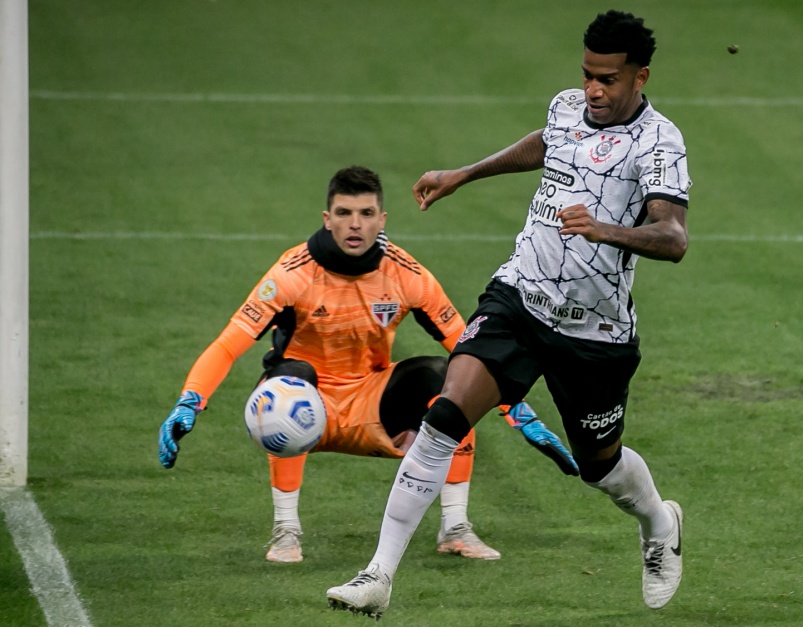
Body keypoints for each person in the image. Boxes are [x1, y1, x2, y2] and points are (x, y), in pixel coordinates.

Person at [327, 10, 692, 618]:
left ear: (640, 77)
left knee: (599, 467)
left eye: (608, 80)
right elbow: (547, 144)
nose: (593, 91)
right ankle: (377, 576)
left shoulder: (660, 142)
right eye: (586, 76)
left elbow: (673, 237)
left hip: (593, 331)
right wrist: (464, 174)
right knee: (444, 414)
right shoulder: (568, 107)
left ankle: (659, 521)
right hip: (520, 297)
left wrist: (603, 229)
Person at [157, 166, 578, 564]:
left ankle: (455, 528)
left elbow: (475, 350)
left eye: (365, 213)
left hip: (371, 402)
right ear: (327, 219)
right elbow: (229, 344)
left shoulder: (406, 274)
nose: (354, 224)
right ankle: (286, 530)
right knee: (288, 381)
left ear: (382, 219)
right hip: (306, 402)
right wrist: (190, 401)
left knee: (445, 378)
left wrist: (519, 413)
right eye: (344, 213)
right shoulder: (291, 273)